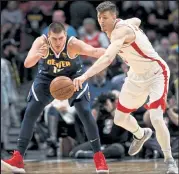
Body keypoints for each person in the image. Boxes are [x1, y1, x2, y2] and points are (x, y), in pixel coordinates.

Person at [73, 1, 178, 174]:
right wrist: (133, 24)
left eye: (105, 17)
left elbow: (108, 59)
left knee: (156, 118)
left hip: (156, 74)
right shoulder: (123, 25)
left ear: (114, 17)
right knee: (119, 119)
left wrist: (85, 75)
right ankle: (140, 134)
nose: (101, 21)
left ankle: (169, 160)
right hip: (136, 76)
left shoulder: (119, 32)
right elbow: (136, 20)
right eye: (99, 17)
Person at [1, 22, 109, 174]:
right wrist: (39, 54)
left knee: (85, 111)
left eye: (61, 39)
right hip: (46, 79)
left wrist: (116, 50)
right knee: (30, 112)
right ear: (48, 37)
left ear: (66, 36)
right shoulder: (41, 42)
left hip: (73, 78)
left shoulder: (73, 44)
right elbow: (27, 63)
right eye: (54, 39)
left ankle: (99, 158)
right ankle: (18, 159)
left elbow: (96, 51)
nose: (58, 42)